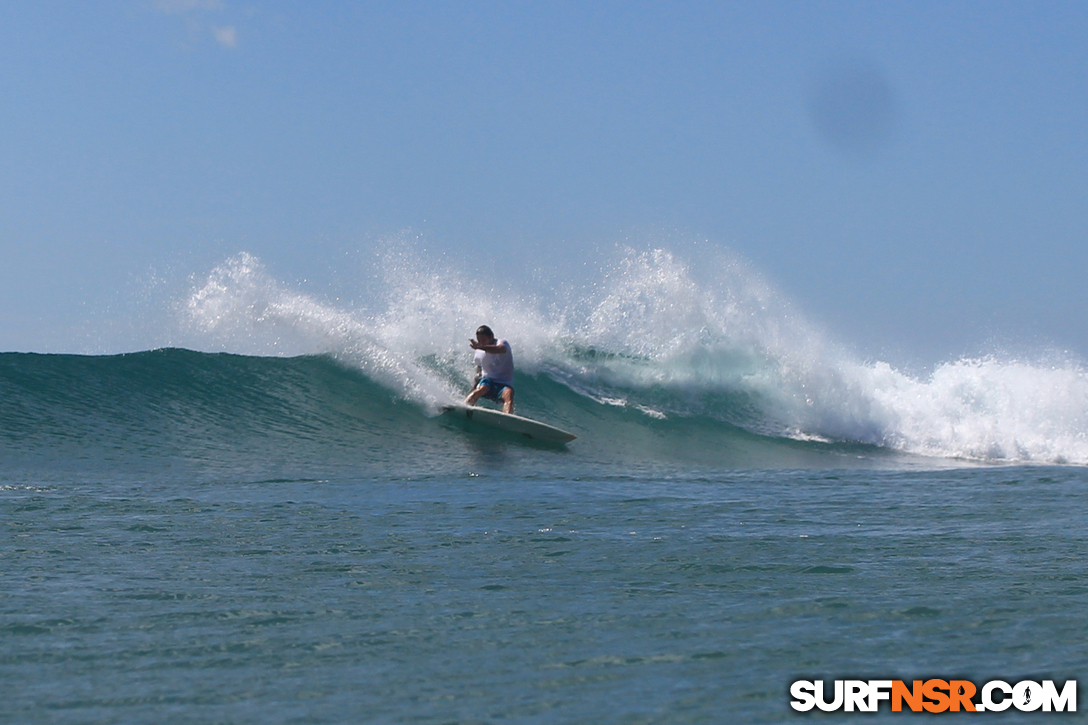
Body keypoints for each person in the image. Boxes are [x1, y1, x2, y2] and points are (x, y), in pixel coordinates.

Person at [463, 325, 515, 414]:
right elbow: (479, 370)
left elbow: (499, 349)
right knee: (482, 388)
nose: (481, 343)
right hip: (488, 381)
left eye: (483, 340)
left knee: (508, 394)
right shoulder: (478, 352)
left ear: (491, 336)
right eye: (479, 341)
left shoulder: (501, 342)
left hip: (504, 384)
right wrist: (474, 387)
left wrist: (480, 347)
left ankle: (506, 418)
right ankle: (464, 407)